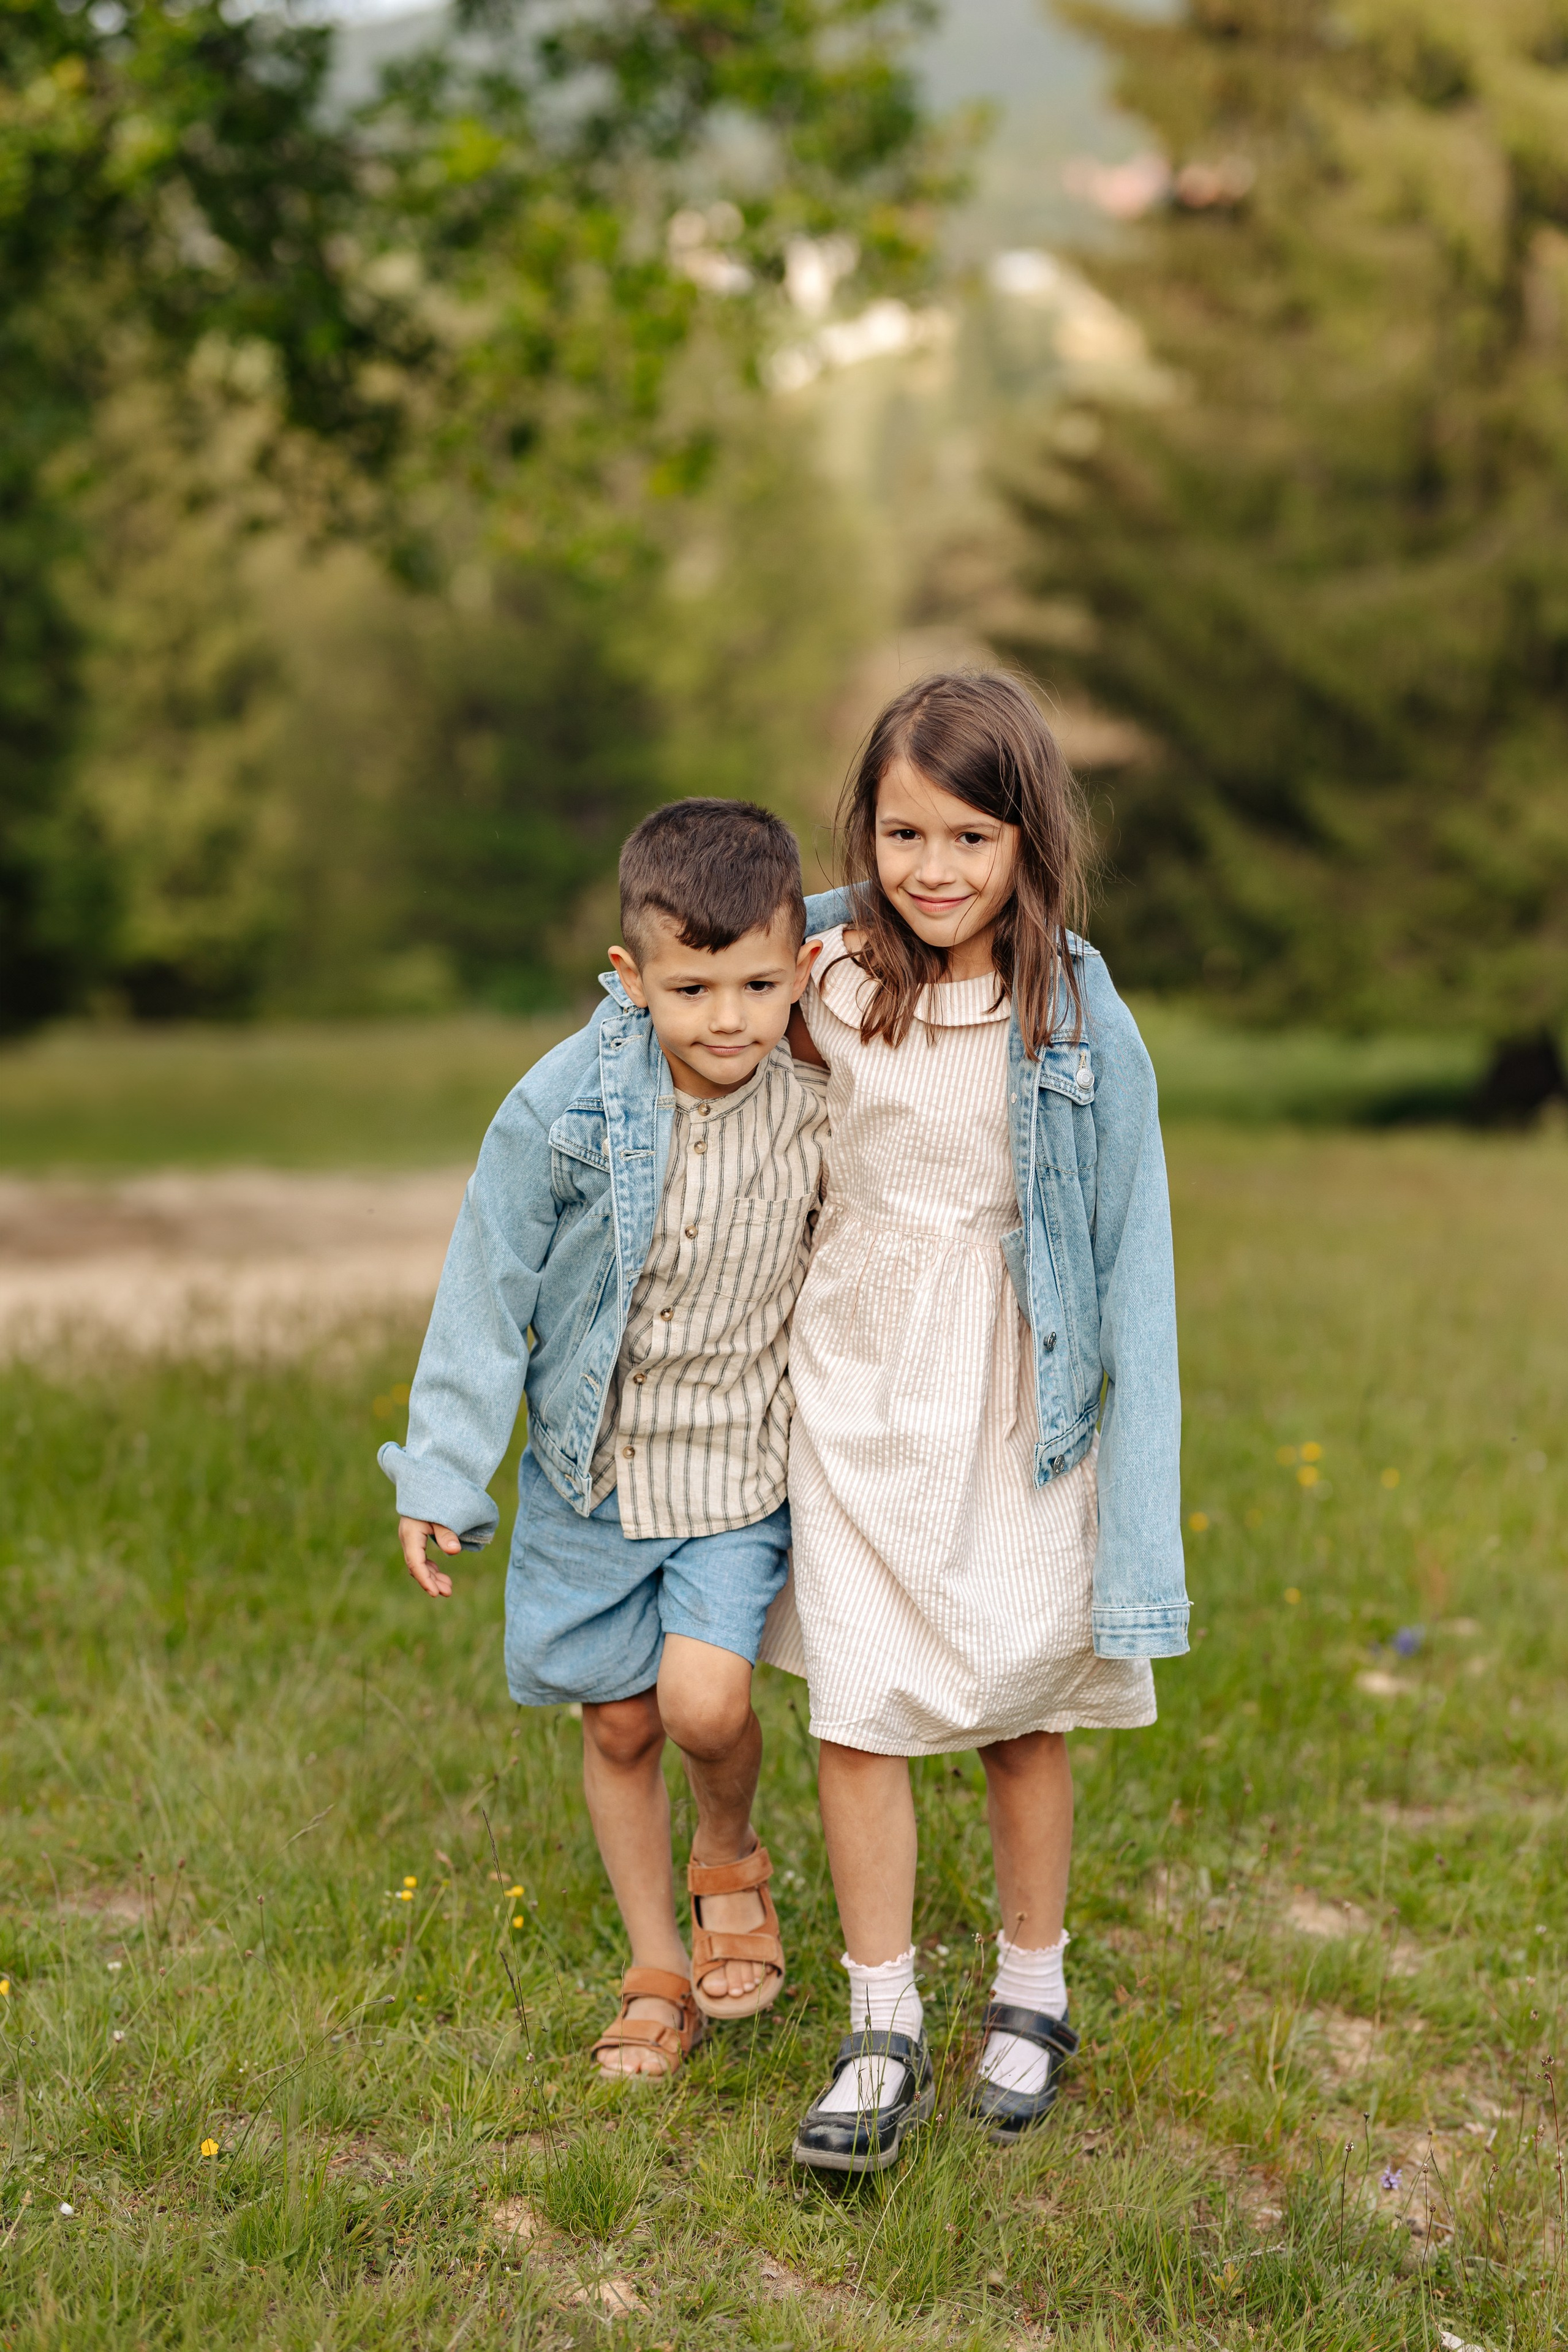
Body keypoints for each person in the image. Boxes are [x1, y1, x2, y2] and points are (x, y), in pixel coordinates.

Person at [775, 673, 1187, 2171]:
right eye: (900, 832)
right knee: (854, 1702)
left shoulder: (1069, 1004)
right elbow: (698, 1030)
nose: (932, 868)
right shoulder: (816, 975)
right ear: (862, 833)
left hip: (1016, 1384)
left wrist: (1129, 1452)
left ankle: (1031, 1988)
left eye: (968, 833)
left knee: (1018, 1702)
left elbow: (1130, 1241)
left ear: (1027, 838)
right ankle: (877, 2021)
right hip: (855, 1375)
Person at [380, 799, 828, 2081]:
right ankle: (653, 1969)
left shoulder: (811, 1094)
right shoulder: (562, 1104)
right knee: (620, 1725)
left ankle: (729, 1850)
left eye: (758, 982)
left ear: (801, 970)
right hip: (593, 1469)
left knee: (703, 1702)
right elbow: (486, 1283)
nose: (729, 1017)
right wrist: (441, 1468)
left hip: (736, 1466)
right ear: (628, 981)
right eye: (692, 987)